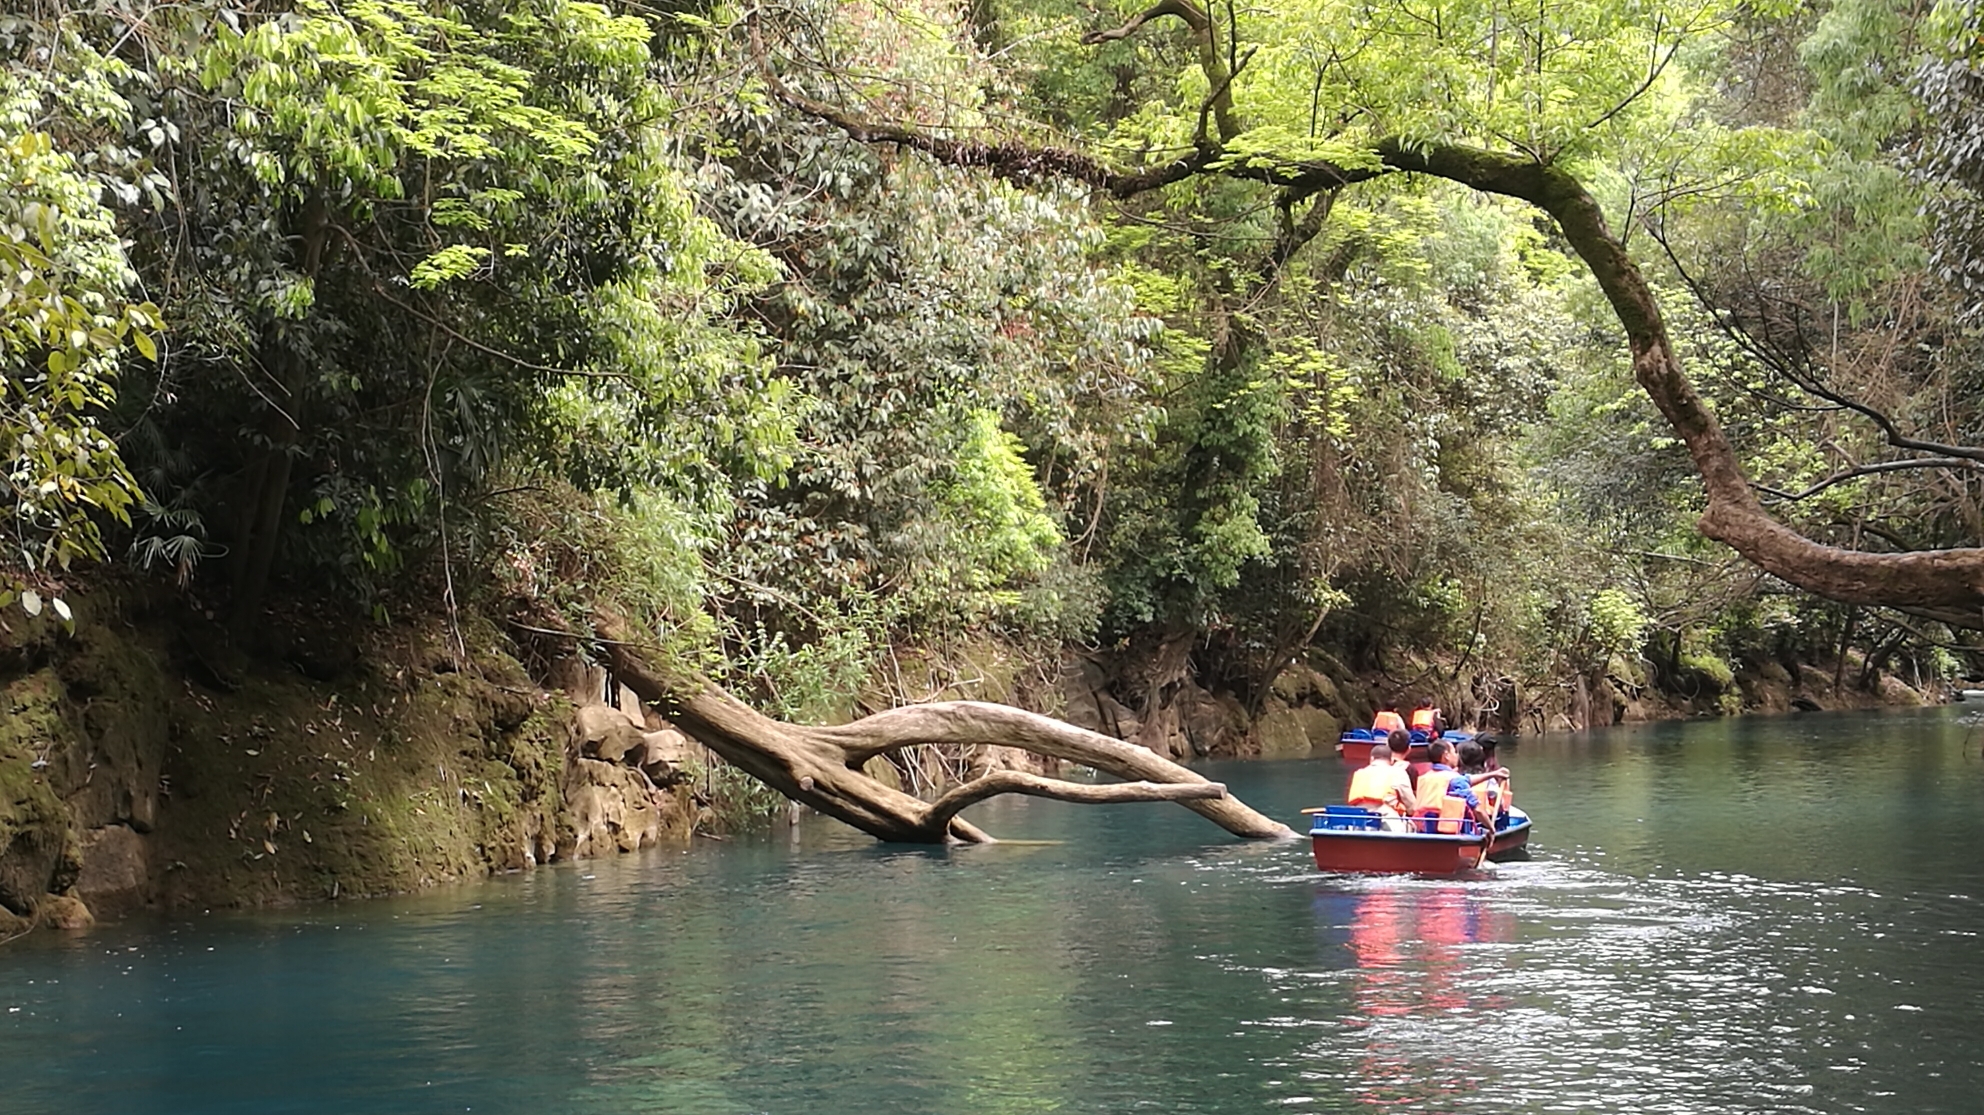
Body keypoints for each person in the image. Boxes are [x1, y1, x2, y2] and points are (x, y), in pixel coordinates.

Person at [1412, 740, 1492, 835]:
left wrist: (1493, 774)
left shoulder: (1423, 778)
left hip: (1422, 831)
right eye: (1454, 752)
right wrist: (1491, 829)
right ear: (1446, 755)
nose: (1457, 756)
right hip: (1449, 834)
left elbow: (1467, 779)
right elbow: (1478, 810)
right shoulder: (1455, 779)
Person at [1345, 744, 1413, 831]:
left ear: (1372, 759)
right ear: (1391, 760)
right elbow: (1410, 805)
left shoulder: (1359, 773)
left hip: (1358, 821)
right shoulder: (1398, 773)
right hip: (1387, 820)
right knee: (1411, 826)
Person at [1455, 740, 1509, 826]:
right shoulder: (1489, 780)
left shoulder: (1454, 778)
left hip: (1463, 822)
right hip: (1481, 822)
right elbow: (1499, 805)